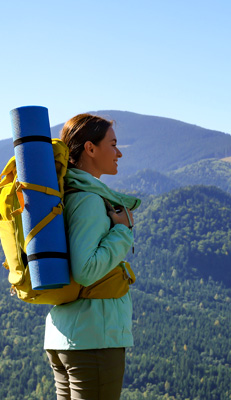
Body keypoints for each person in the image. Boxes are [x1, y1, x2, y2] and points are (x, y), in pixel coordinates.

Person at [44, 113, 140, 400]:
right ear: (90, 148)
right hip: (93, 339)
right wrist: (123, 231)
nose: (119, 152)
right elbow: (86, 270)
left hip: (68, 335)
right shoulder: (87, 200)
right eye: (112, 144)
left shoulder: (70, 193)